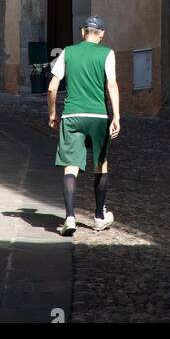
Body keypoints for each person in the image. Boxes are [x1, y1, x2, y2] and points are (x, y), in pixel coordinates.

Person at [48, 15, 120, 235]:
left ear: (82, 32)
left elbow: (52, 88)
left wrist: (52, 113)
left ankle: (70, 218)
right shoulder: (107, 53)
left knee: (71, 166)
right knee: (101, 164)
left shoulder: (68, 52)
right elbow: (112, 85)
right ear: (101, 34)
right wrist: (116, 115)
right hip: (98, 116)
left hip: (72, 115)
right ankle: (99, 216)